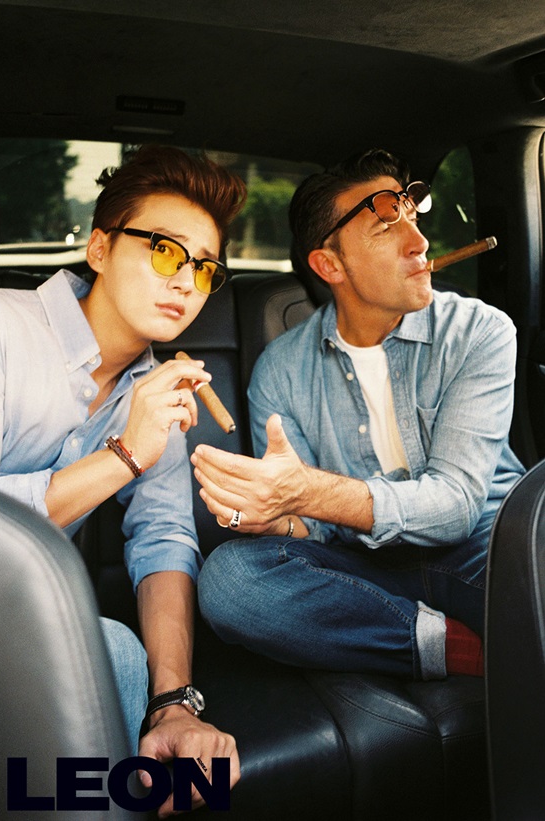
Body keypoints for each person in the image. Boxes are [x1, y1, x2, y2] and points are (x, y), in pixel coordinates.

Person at [193, 148, 526, 682]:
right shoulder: (280, 370)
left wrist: (307, 492)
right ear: (330, 265)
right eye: (386, 227)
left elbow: (458, 506)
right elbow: (316, 531)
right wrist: (281, 519)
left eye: (413, 219)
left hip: (481, 545)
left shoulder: (480, 332)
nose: (419, 243)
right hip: (364, 565)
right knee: (230, 579)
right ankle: (444, 646)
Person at [0, 144, 244, 813]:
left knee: (120, 654)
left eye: (204, 267)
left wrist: (174, 703)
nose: (186, 281)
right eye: (164, 250)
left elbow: (162, 538)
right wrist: (124, 455)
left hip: (16, 626)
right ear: (100, 248)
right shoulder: (2, 329)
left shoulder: (154, 388)